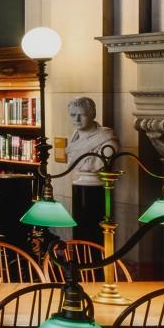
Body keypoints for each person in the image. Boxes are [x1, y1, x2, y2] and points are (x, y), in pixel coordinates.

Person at [64, 95, 116, 242]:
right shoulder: (74, 137)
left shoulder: (107, 142)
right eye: (73, 115)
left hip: (95, 191)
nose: (77, 119)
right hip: (82, 184)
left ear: (93, 114)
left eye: (82, 115)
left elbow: (105, 156)